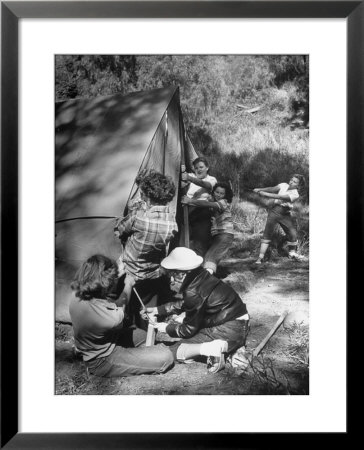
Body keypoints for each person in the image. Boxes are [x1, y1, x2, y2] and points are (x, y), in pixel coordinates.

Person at [142, 247, 250, 373]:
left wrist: (165, 328)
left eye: (173, 275)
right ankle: (233, 347)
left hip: (228, 328)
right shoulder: (201, 276)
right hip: (238, 322)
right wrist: (158, 310)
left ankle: (212, 348)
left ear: (183, 273)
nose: (171, 280)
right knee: (189, 334)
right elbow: (189, 303)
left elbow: (188, 330)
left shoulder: (193, 292)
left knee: (174, 351)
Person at [69, 255, 174, 378]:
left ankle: (138, 356)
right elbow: (121, 304)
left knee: (143, 335)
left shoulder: (78, 292)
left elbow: (103, 290)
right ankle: (133, 360)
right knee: (165, 356)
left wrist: (118, 271)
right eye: (110, 282)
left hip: (108, 339)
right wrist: (128, 284)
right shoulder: (107, 318)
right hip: (103, 359)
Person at [114, 169, 178, 329]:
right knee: (146, 311)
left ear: (147, 197)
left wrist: (133, 210)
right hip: (152, 274)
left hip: (129, 272)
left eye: (143, 194)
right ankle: (146, 340)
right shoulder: (172, 223)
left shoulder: (138, 217)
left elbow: (119, 229)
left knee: (123, 309)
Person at [182, 182, 234, 274]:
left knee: (211, 258)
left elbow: (209, 205)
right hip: (218, 235)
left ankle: (205, 281)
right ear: (213, 192)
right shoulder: (214, 202)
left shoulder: (224, 202)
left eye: (222, 193)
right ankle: (205, 280)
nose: (219, 195)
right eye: (217, 192)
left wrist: (190, 201)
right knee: (208, 258)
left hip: (225, 234)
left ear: (226, 195)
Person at [253, 174, 306, 264]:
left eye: (295, 182)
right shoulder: (283, 185)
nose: (292, 182)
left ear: (299, 185)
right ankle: (260, 258)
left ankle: (292, 253)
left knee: (292, 233)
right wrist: (260, 189)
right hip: (275, 211)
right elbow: (272, 188)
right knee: (267, 233)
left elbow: (280, 197)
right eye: (291, 180)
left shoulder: (295, 194)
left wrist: (264, 194)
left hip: (285, 213)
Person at [181, 157, 217, 257]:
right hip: (187, 212)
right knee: (186, 242)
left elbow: (207, 185)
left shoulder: (211, 179)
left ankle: (201, 269)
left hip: (202, 213)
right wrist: (182, 173)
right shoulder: (191, 175)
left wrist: (190, 178)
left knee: (200, 243)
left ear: (207, 168)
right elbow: (180, 184)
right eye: (196, 168)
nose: (199, 170)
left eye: (201, 167)